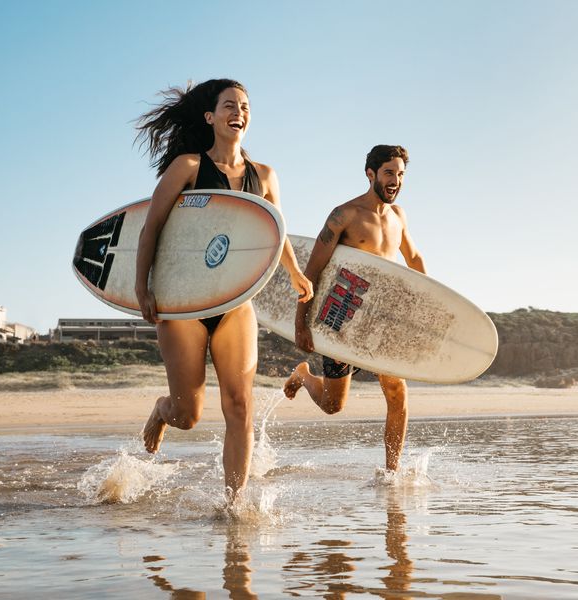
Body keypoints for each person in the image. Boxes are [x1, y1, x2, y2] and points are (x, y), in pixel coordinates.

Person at [133, 79, 313, 496]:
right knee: (187, 415)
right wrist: (144, 289)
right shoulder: (188, 168)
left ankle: (235, 505)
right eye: (229, 105)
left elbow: (275, 231)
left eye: (246, 106)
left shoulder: (265, 175)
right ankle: (162, 412)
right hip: (185, 303)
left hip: (236, 302)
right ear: (210, 117)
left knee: (239, 405)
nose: (240, 112)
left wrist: (295, 272)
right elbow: (151, 229)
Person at [283, 145, 424, 471]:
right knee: (333, 405)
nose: (396, 180)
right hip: (342, 315)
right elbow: (312, 271)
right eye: (390, 172)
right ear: (371, 173)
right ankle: (303, 375)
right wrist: (300, 324)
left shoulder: (398, 217)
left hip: (382, 319)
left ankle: (392, 472)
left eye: (401, 174)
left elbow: (414, 259)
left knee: (396, 393)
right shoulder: (343, 215)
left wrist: (428, 300)